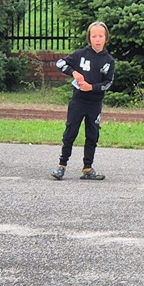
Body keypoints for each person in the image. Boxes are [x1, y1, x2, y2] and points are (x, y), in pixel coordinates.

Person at [51, 21, 115, 181]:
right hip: (78, 102)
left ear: (106, 38)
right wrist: (73, 72)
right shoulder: (81, 54)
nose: (97, 39)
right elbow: (60, 63)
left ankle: (87, 168)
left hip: (94, 104)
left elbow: (108, 82)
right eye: (94, 36)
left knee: (92, 135)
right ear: (89, 38)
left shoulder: (108, 61)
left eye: (100, 36)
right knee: (70, 132)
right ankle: (61, 166)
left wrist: (91, 87)